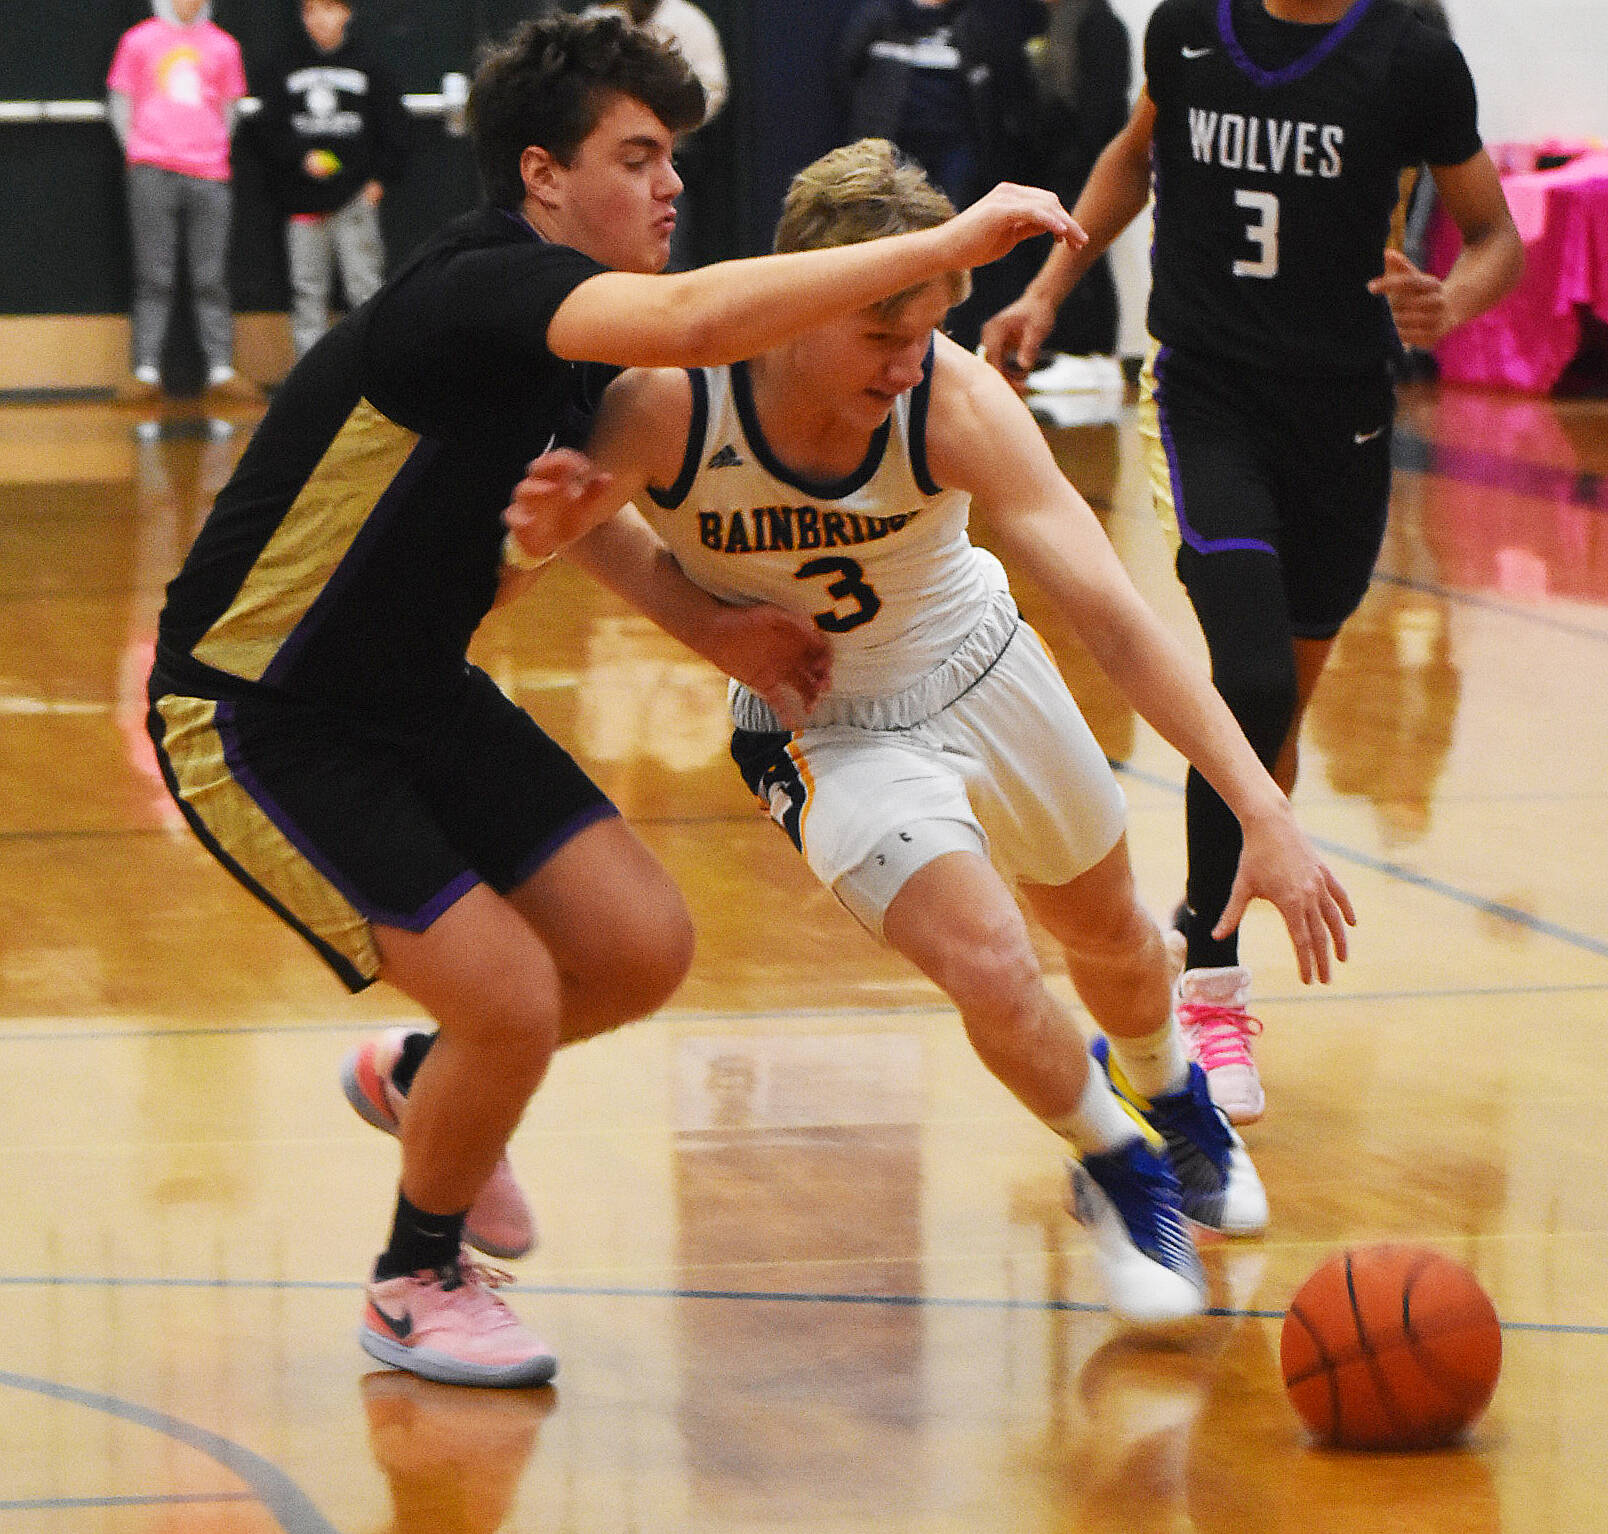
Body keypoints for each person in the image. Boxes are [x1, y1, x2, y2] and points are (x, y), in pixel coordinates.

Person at [144, 11, 1083, 1389]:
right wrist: (947, 247)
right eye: (637, 155)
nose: (670, 185)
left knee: (639, 947)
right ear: (540, 175)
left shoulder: (579, 346)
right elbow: (704, 319)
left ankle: (424, 1079)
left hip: (411, 688)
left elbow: (577, 526)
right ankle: (416, 1277)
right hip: (257, 706)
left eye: (674, 157)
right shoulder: (482, 290)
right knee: (515, 997)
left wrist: (713, 626)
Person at [502, 139, 1356, 1323]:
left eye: (926, 334)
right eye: (879, 337)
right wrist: (692, 616)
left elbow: (1110, 613)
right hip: (825, 727)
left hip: (983, 665)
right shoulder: (667, 401)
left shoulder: (953, 399)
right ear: (802, 299)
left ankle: (1170, 1088)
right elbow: (561, 535)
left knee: (1108, 939)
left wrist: (1262, 808)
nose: (910, 365)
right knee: (992, 964)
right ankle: (1116, 1162)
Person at [981, 0, 1522, 1123]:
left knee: (1268, 745)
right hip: (1205, 395)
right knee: (1252, 683)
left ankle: (1210, 911)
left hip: (1343, 417)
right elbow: (1134, 160)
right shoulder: (1185, 29)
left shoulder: (1412, 57)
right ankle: (1206, 986)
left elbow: (1497, 239)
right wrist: (1045, 291)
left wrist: (1448, 304)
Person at [834, 0, 1043, 348]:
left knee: (953, 236)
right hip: (892, 144)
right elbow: (844, 70)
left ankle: (944, 335)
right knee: (882, 233)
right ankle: (881, 331)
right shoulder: (880, 14)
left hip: (956, 148)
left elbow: (1003, 81)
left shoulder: (974, 19)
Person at [107, 0, 256, 402]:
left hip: (209, 173)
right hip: (151, 169)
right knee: (153, 274)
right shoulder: (138, 41)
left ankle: (221, 370)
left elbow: (230, 110)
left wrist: (209, 148)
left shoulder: (225, 47)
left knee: (212, 276)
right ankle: (146, 371)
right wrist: (138, 151)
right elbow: (121, 102)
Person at [252, 0, 412, 360]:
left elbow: (395, 128)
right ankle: (309, 381)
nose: (318, 20)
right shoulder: (283, 65)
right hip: (302, 201)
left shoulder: (370, 65)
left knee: (364, 288)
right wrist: (299, 158)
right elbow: (269, 129)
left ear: (346, 13)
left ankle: (372, 376)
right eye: (309, 11)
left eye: (327, 9)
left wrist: (379, 180)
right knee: (307, 290)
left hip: (355, 197)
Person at [589, 0, 729, 268]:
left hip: (686, 150)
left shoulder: (687, 19)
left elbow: (713, 87)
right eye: (636, 161)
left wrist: (666, 123)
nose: (671, 184)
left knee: (670, 250)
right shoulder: (597, 19)